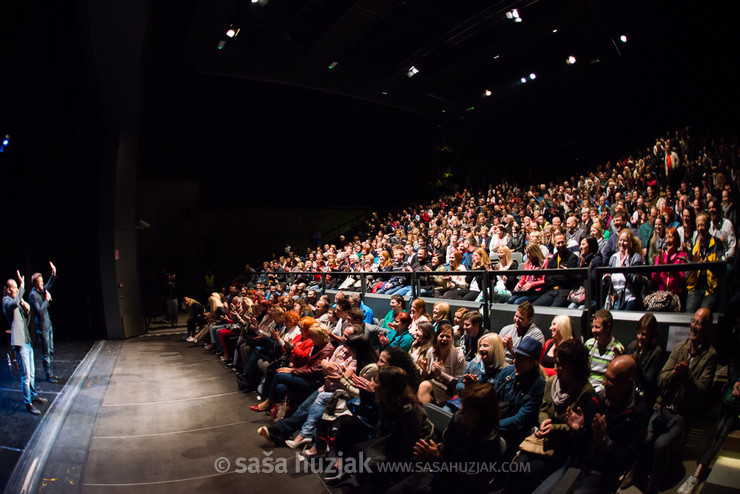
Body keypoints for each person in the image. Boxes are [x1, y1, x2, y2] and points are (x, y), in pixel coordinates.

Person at [625, 308, 717, 493]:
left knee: (660, 445)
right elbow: (661, 380)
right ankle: (635, 472)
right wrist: (675, 374)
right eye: (693, 321)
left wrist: (687, 376)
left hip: (682, 413)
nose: (694, 326)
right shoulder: (680, 347)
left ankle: (653, 487)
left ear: (707, 328)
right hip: (662, 407)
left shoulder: (710, 355)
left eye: (699, 323)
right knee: (647, 438)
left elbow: (701, 392)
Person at [532, 355, 650, 494]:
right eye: (605, 377)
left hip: (604, 473)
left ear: (628, 382)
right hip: (578, 464)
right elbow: (582, 442)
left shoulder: (638, 411)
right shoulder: (597, 399)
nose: (604, 383)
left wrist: (604, 442)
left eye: (611, 380)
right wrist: (580, 429)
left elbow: (626, 459)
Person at [677, 376, 740, 494]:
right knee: (717, 433)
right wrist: (736, 383)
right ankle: (697, 474)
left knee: (721, 434)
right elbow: (734, 373)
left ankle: (697, 475)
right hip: (730, 401)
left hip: (736, 410)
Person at [495, 336, 546, 458]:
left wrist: (494, 425)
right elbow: (492, 397)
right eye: (516, 356)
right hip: (497, 422)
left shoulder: (538, 385)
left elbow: (521, 418)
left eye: (520, 358)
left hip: (516, 432)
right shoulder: (508, 372)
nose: (515, 361)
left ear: (532, 362)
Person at [4, 272, 48, 414]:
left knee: (32, 372)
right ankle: (27, 402)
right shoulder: (6, 301)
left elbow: (24, 322)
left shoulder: (17, 301)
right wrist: (22, 287)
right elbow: (14, 303)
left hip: (27, 340)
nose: (17, 289)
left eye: (18, 287)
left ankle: (33, 395)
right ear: (9, 289)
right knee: (26, 374)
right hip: (19, 342)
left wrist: (27, 311)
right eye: (15, 287)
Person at [417, 323, 465, 405]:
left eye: (448, 336)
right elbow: (427, 376)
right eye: (441, 336)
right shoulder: (431, 351)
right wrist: (424, 370)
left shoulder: (458, 356)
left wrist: (441, 374)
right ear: (436, 338)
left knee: (425, 386)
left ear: (452, 339)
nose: (444, 339)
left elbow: (459, 383)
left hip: (449, 389)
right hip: (432, 383)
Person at [686, 212, 724, 313]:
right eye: (698, 225)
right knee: (689, 311)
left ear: (708, 226)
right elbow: (687, 276)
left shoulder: (717, 244)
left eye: (702, 225)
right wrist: (694, 265)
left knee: (703, 312)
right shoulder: (694, 249)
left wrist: (709, 265)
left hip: (711, 289)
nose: (700, 228)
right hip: (695, 288)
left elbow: (722, 269)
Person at [625, 313, 665, 405]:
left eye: (643, 334)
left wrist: (637, 365)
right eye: (638, 333)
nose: (639, 337)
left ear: (652, 334)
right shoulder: (633, 347)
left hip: (646, 397)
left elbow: (648, 384)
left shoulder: (657, 352)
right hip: (631, 392)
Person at [29, 261, 58, 382]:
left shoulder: (41, 290)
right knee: (45, 353)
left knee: (50, 351)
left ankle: (51, 373)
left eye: (42, 281)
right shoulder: (33, 295)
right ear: (35, 284)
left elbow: (49, 284)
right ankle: (48, 375)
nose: (42, 283)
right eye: (40, 282)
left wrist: (53, 273)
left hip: (48, 325)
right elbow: (40, 311)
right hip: (42, 328)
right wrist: (47, 300)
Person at [533, 231, 579, 307]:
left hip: (565, 291)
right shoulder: (552, 259)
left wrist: (554, 275)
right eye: (558, 243)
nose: (560, 245)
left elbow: (567, 279)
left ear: (566, 243)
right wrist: (561, 274)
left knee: (553, 309)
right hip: (552, 291)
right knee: (534, 306)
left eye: (562, 242)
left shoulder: (572, 257)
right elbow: (547, 279)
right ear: (554, 245)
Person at [584, 309, 624, 393]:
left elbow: (613, 381)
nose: (593, 330)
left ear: (608, 327)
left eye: (597, 327)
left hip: (603, 391)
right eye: (593, 327)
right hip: (586, 388)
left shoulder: (617, 349)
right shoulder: (589, 344)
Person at [604, 228, 644, 311]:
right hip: (615, 298)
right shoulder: (613, 258)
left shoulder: (635, 257)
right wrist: (606, 278)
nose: (622, 243)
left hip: (630, 297)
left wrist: (624, 269)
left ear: (631, 243)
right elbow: (607, 283)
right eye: (620, 240)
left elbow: (636, 282)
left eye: (625, 240)